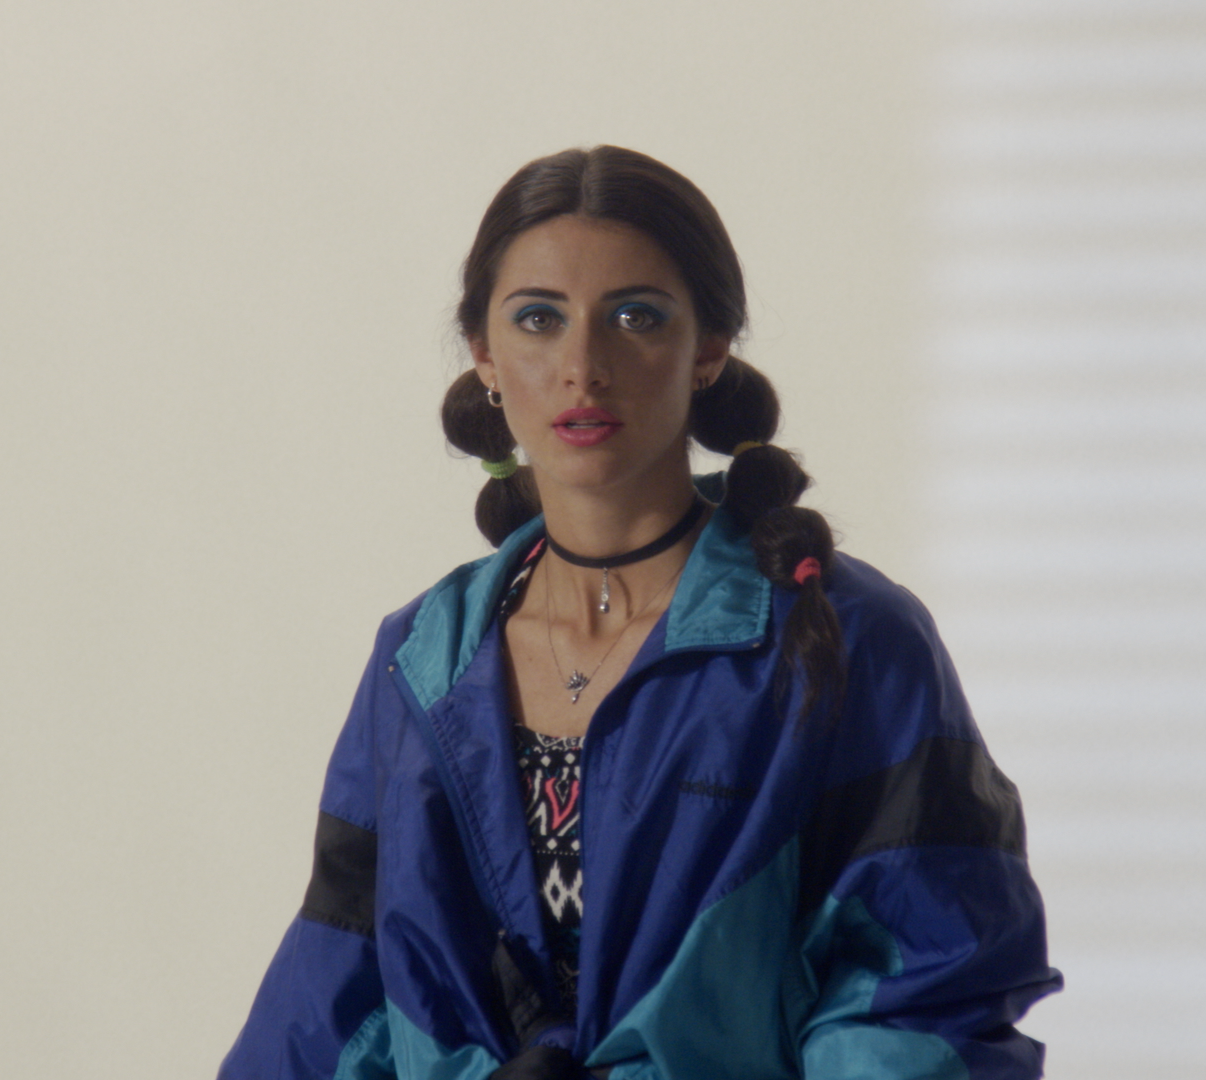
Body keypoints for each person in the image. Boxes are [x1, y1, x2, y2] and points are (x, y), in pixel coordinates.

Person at [219, 146, 1061, 1080]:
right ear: (485, 358)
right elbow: (334, 993)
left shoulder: (843, 633)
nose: (583, 366)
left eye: (636, 316)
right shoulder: (423, 659)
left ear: (707, 351)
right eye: (538, 319)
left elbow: (928, 985)